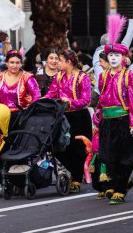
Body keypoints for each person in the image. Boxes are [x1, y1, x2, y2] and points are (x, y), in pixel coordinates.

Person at [95, 14, 133, 205]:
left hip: (123, 119)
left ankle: (120, 190)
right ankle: (122, 181)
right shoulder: (103, 76)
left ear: (123, 58)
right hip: (107, 120)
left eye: (117, 55)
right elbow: (101, 100)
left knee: (125, 156)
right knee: (107, 156)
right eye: (111, 55)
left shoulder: (129, 76)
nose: (113, 58)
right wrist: (97, 119)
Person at [45, 49, 91, 193]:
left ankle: (77, 178)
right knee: (59, 147)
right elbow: (51, 94)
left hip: (79, 117)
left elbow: (86, 100)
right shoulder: (58, 76)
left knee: (78, 149)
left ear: (68, 62)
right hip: (63, 117)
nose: (57, 63)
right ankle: (76, 172)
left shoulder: (82, 77)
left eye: (60, 60)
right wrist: (40, 101)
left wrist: (70, 102)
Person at [0, 50, 41, 129]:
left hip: (22, 116)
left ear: (21, 64)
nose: (14, 65)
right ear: (7, 63)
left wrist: (30, 110)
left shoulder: (27, 77)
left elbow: (36, 94)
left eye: (17, 63)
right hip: (1, 116)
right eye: (12, 62)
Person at [92, 17, 133, 95]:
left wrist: (132, 25)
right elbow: (124, 46)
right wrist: (132, 25)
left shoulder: (101, 52)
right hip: (103, 91)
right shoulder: (102, 53)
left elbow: (124, 46)